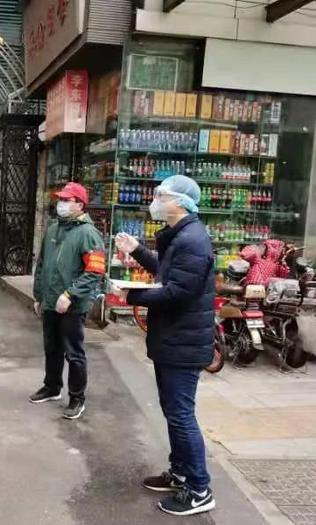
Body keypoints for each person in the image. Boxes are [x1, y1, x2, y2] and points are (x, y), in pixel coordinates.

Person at [114, 175, 215, 516]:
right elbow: (168, 272)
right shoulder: (180, 236)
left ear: (181, 203)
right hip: (173, 338)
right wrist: (137, 251)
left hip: (183, 342)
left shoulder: (193, 239)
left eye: (162, 195)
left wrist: (132, 295)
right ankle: (181, 472)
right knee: (174, 412)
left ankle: (199, 489)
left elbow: (178, 292)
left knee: (181, 415)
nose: (156, 200)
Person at [30, 182, 106, 420]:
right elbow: (42, 264)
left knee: (74, 353)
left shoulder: (88, 234)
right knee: (51, 347)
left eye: (66, 200)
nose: (60, 204)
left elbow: (94, 271)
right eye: (60, 199)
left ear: (80, 205)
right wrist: (39, 295)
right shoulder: (53, 229)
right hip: (50, 300)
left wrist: (70, 294)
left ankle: (76, 398)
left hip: (72, 305)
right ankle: (52, 387)